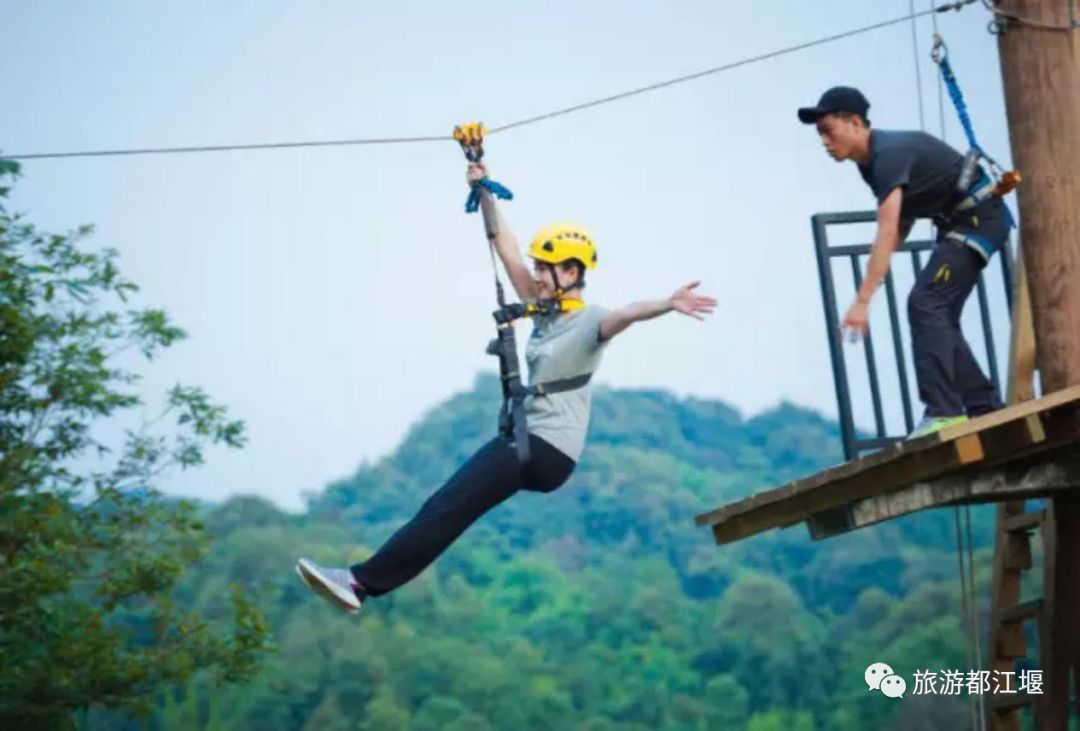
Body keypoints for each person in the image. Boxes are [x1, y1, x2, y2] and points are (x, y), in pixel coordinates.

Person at [295, 162, 717, 614]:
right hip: (532, 445)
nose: (536, 275)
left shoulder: (591, 320)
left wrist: (667, 304)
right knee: (448, 508)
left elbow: (627, 313)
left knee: (446, 505)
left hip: (542, 447)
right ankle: (362, 582)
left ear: (572, 273)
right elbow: (508, 250)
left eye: (547, 268)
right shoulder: (544, 311)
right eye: (538, 267)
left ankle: (359, 583)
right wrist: (484, 190)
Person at [798, 86, 1009, 438]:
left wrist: (862, 301)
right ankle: (983, 404)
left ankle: (943, 412)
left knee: (925, 303)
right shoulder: (871, 165)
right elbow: (901, 225)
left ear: (854, 122)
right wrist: (871, 284)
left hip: (976, 218)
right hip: (962, 221)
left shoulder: (888, 155)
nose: (823, 141)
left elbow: (887, 228)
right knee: (936, 312)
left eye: (827, 130)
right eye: (819, 133)